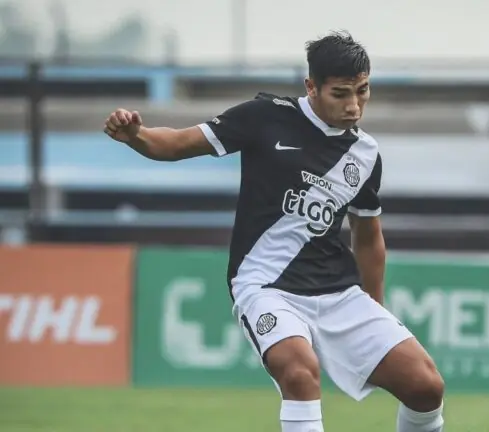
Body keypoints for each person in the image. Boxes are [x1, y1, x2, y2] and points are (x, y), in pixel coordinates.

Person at [103, 31, 445, 432]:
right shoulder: (265, 117)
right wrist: (136, 135)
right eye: (340, 94)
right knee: (299, 372)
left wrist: (376, 312)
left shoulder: (365, 154)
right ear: (311, 87)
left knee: (426, 386)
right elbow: (178, 143)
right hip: (265, 285)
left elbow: (368, 238)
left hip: (337, 292)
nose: (354, 105)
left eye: (363, 91)